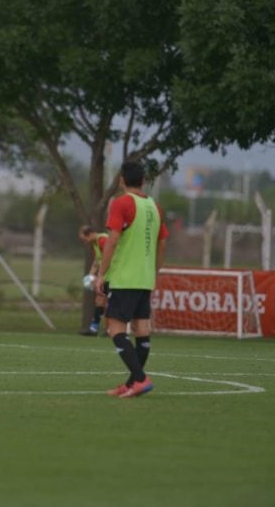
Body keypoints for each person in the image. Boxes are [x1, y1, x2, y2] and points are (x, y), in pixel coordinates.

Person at [94, 160, 168, 398]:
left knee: (115, 330)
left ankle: (140, 379)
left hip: (125, 278)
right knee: (142, 331)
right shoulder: (154, 206)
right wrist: (154, 272)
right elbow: (162, 241)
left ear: (121, 180)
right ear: (143, 180)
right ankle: (131, 384)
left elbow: (112, 240)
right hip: (145, 278)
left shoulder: (122, 202)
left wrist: (101, 274)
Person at [78, 225, 109, 336]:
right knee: (99, 300)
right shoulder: (95, 243)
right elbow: (97, 261)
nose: (85, 242)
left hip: (113, 275)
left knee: (110, 302)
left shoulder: (102, 240)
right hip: (105, 275)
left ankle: (111, 330)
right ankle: (93, 329)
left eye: (85, 239)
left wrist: (100, 276)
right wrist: (90, 276)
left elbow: (109, 258)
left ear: (90, 234)